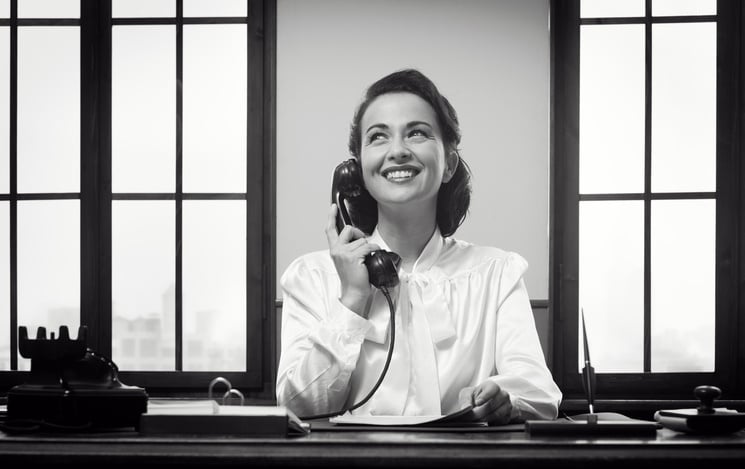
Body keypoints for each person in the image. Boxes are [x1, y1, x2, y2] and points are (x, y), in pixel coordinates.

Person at [276, 69, 561, 424]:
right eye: (378, 137)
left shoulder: (497, 273)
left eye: (417, 133)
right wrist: (352, 300)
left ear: (448, 164)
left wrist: (506, 401)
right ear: (356, 169)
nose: (397, 151)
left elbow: (540, 394)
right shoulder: (311, 276)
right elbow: (297, 405)